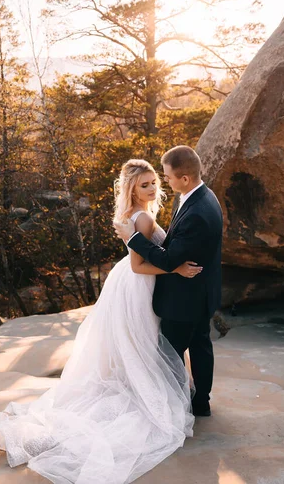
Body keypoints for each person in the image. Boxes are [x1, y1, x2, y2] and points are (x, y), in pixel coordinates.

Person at [0, 158, 202, 484]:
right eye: (145, 184)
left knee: (137, 341)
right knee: (141, 341)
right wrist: (178, 269)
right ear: (132, 189)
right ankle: (135, 388)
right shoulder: (140, 218)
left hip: (127, 281)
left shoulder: (137, 214)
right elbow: (141, 266)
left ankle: (133, 380)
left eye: (155, 181)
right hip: (137, 284)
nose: (153, 188)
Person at [114, 146, 223, 417]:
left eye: (166, 177)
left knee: (169, 353)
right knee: (198, 346)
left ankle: (173, 407)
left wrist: (133, 238)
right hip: (199, 291)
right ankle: (199, 403)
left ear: (184, 178)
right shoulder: (204, 197)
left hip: (185, 298)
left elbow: (170, 259)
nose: (164, 183)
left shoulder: (196, 210)